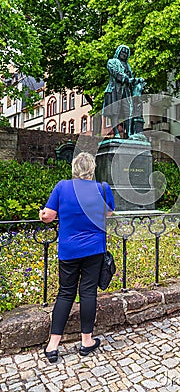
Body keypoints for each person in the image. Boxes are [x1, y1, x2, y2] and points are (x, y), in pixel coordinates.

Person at [39, 152, 114, 363]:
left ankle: (53, 345)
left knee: (65, 293)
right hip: (94, 248)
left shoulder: (62, 187)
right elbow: (107, 213)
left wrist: (41, 214)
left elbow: (48, 216)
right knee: (88, 292)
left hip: (69, 249)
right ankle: (86, 341)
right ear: (92, 169)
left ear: (74, 169)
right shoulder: (103, 188)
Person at [103, 44, 145, 138]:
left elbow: (131, 79)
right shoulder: (112, 62)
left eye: (126, 53)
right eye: (123, 52)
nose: (124, 54)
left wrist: (137, 80)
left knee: (128, 111)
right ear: (118, 52)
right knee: (115, 112)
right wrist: (127, 79)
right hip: (114, 90)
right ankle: (116, 132)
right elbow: (117, 74)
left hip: (126, 91)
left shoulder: (128, 66)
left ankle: (129, 133)